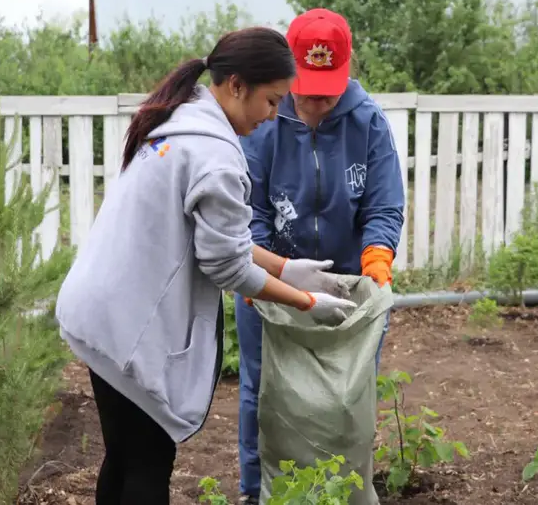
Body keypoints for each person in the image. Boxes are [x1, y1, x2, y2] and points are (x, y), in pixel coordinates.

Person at [54, 26, 358, 505]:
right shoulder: (215, 155)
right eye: (272, 100)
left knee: (125, 456)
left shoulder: (179, 121)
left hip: (102, 310)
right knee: (147, 465)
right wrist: (305, 302)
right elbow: (228, 267)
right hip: (127, 324)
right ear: (236, 86)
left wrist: (284, 267)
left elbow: (212, 238)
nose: (274, 115)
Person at [234, 9, 406, 503]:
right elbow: (252, 207)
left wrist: (376, 259)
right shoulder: (265, 120)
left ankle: (341, 492)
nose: (315, 99)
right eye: (306, 86)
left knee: (347, 396)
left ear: (347, 71)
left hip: (346, 287)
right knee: (262, 391)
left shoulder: (368, 121)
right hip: (272, 281)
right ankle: (257, 492)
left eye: (328, 88)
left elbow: (383, 201)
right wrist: (259, 273)